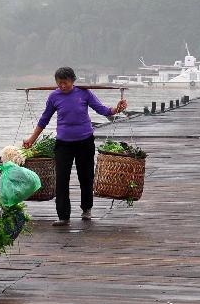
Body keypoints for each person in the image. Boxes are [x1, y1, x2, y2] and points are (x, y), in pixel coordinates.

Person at [23, 67, 127, 227]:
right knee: (61, 179)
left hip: (84, 141)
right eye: (59, 83)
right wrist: (31, 139)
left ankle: (86, 209)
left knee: (86, 177)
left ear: (72, 81)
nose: (62, 86)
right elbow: (44, 120)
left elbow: (103, 110)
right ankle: (63, 216)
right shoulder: (54, 97)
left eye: (65, 82)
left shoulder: (84, 93)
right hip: (63, 143)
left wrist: (117, 108)